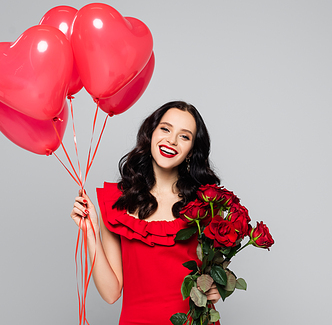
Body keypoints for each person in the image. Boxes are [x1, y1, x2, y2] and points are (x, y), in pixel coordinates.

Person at [71, 101, 221, 324]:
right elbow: (111, 293)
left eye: (184, 136)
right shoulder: (118, 204)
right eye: (165, 129)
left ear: (191, 151)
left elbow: (210, 277)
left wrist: (215, 288)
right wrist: (89, 231)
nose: (171, 140)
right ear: (151, 134)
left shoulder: (205, 205)